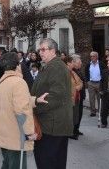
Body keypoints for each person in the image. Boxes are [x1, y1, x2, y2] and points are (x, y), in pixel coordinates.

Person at [0, 53, 47, 169]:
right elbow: (22, 110)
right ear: (17, 65)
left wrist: (36, 100)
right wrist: (28, 133)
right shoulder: (18, 82)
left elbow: (12, 102)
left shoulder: (3, 81)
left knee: (7, 164)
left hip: (5, 132)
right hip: (15, 135)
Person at [31, 38, 73, 169]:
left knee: (48, 163)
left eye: (43, 49)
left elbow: (54, 97)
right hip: (50, 125)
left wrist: (33, 108)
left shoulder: (57, 68)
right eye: (39, 50)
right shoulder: (49, 66)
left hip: (52, 127)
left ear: (53, 51)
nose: (40, 52)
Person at [62, 55, 83, 140]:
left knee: (75, 115)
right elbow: (67, 86)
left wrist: (79, 86)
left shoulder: (73, 72)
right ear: (68, 63)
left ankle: (73, 131)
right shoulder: (65, 73)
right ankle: (69, 132)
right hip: (69, 98)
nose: (73, 64)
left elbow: (80, 82)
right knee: (70, 116)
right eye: (72, 63)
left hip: (76, 97)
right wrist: (76, 87)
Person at [85, 51, 105, 117]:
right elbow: (86, 73)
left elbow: (104, 73)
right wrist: (88, 81)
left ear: (97, 57)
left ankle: (100, 111)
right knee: (91, 98)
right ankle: (93, 111)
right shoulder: (88, 64)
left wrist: (103, 82)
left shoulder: (101, 64)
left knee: (100, 98)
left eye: (93, 56)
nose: (92, 57)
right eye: (91, 56)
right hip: (91, 83)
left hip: (99, 83)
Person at [72, 55, 86, 136]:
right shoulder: (72, 72)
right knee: (75, 114)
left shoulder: (79, 70)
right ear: (74, 62)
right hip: (75, 96)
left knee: (79, 113)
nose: (81, 63)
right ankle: (73, 131)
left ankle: (77, 129)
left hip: (80, 95)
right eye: (79, 62)